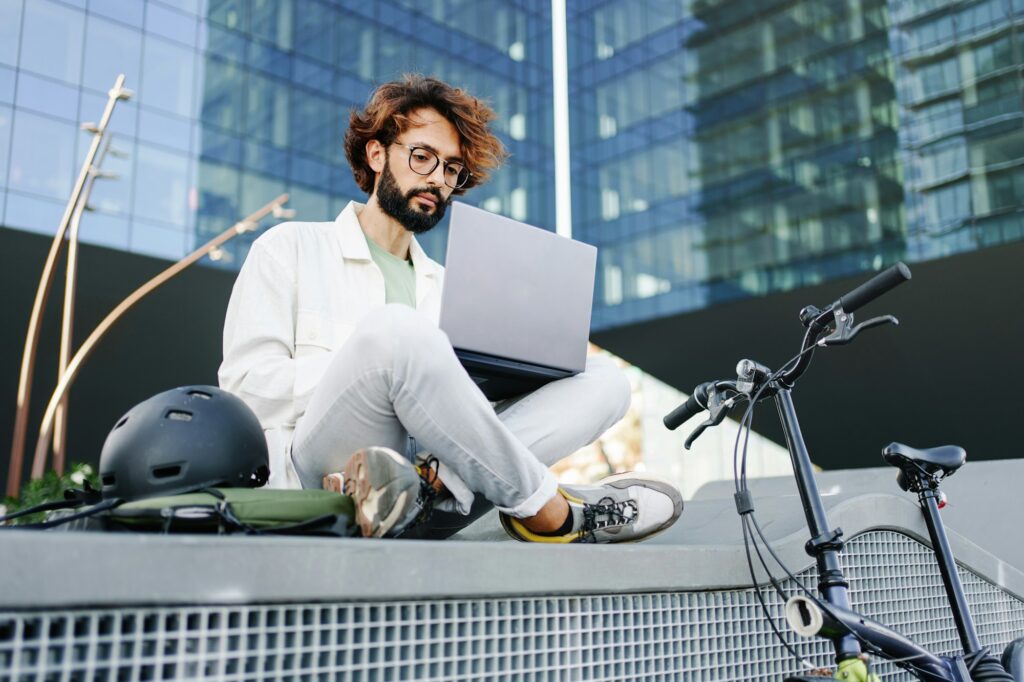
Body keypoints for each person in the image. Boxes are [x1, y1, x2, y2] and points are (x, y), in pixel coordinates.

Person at [218, 75, 683, 543]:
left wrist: (446, 393)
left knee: (605, 382)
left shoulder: (446, 288)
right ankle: (554, 513)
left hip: (436, 474)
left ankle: (424, 490)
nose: (438, 180)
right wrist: (387, 375)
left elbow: (464, 411)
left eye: (452, 170)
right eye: (423, 157)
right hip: (325, 473)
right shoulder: (290, 247)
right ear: (377, 155)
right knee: (398, 334)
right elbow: (246, 390)